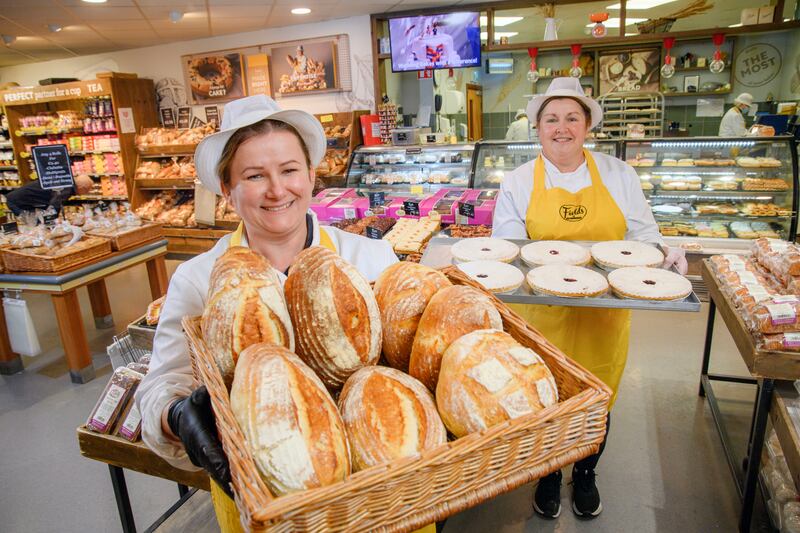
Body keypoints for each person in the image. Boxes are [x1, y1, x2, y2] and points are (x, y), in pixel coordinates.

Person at [135, 95, 399, 532]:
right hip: (266, 502)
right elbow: (158, 389)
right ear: (227, 191)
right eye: (255, 176)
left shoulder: (370, 258)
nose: (278, 190)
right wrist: (176, 415)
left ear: (313, 175)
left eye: (290, 170)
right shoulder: (199, 280)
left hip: (376, 488)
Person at [492, 77, 687, 520]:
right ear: (538, 127)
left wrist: (663, 253)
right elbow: (507, 244)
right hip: (542, 313)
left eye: (572, 118)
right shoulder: (519, 180)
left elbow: (643, 234)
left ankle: (584, 472)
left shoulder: (619, 174)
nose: (562, 128)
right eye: (552, 119)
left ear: (587, 125)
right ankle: (547, 472)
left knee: (598, 394)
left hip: (604, 311)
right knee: (545, 393)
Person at [5, 174, 93, 216]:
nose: (87, 193)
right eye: (88, 190)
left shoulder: (66, 181)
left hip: (24, 201)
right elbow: (54, 205)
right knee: (33, 225)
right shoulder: (67, 187)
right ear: (82, 187)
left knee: (38, 223)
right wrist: (53, 221)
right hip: (17, 202)